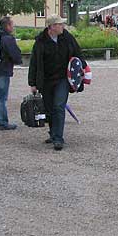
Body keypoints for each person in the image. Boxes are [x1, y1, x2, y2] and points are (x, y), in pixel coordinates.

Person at [28, 14, 86, 151]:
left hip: (62, 79)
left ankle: (58, 138)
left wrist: (83, 68)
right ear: (52, 27)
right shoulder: (40, 42)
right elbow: (34, 63)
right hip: (46, 81)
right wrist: (32, 83)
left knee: (59, 106)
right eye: (60, 24)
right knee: (49, 108)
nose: (62, 26)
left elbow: (78, 53)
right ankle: (53, 133)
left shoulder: (67, 37)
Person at [0, 16, 22, 130]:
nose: (13, 27)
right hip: (3, 69)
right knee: (2, 96)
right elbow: (15, 54)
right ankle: (1, 121)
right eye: (12, 24)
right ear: (7, 26)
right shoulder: (7, 38)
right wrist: (19, 61)